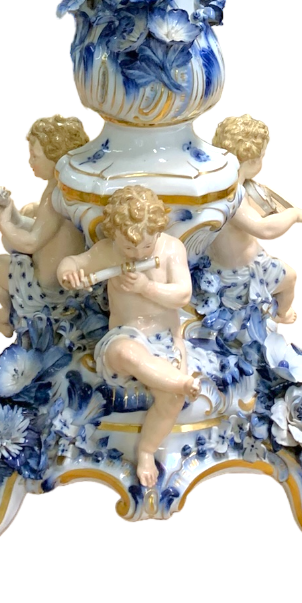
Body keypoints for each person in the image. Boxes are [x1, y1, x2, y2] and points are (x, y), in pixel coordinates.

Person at [58, 185, 203, 487]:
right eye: (128, 248)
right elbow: (73, 263)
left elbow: (183, 294)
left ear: (158, 231)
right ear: (115, 236)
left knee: (172, 400)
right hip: (126, 335)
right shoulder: (108, 251)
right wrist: (69, 274)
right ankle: (182, 381)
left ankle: (147, 450)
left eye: (146, 247)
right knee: (125, 354)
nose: (137, 254)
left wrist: (146, 288)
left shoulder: (171, 248)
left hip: (163, 339)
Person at [0, 112, 91, 338]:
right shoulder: (66, 188)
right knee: (26, 216)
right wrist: (9, 208)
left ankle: (6, 316)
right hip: (62, 281)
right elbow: (39, 230)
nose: (30, 161)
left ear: (57, 157)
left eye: (35, 155)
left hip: (47, 289)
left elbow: (31, 242)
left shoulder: (55, 196)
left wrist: (4, 222)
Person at [206, 113, 302, 325]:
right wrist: (293, 215)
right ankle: (282, 314)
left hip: (240, 261)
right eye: (263, 156)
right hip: (239, 273)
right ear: (251, 160)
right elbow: (264, 230)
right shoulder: (232, 197)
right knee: (290, 277)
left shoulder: (220, 187)